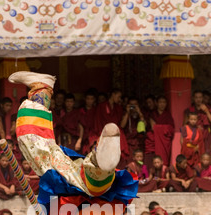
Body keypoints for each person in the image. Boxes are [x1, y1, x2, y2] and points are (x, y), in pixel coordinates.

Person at [8, 71, 137, 204]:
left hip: (83, 186)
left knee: (37, 147)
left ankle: (100, 167)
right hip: (80, 183)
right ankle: (100, 167)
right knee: (37, 147)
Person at [145, 95, 175, 167]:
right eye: (160, 102)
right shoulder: (152, 114)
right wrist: (163, 128)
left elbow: (171, 129)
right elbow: (152, 128)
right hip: (154, 140)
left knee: (163, 160)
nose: (162, 104)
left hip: (164, 141)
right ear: (156, 103)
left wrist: (157, 127)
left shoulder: (167, 115)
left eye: (164, 102)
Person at [120, 97, 146, 165]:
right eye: (131, 105)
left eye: (135, 105)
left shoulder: (140, 114)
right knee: (130, 162)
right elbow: (122, 125)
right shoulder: (126, 114)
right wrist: (127, 112)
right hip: (129, 143)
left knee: (139, 161)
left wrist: (139, 112)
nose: (133, 107)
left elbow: (145, 125)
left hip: (138, 142)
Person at [79, 88, 97, 155]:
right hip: (84, 137)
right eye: (88, 99)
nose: (89, 101)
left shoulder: (96, 111)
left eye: (91, 99)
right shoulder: (81, 111)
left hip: (93, 136)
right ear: (85, 99)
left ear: (94, 100)